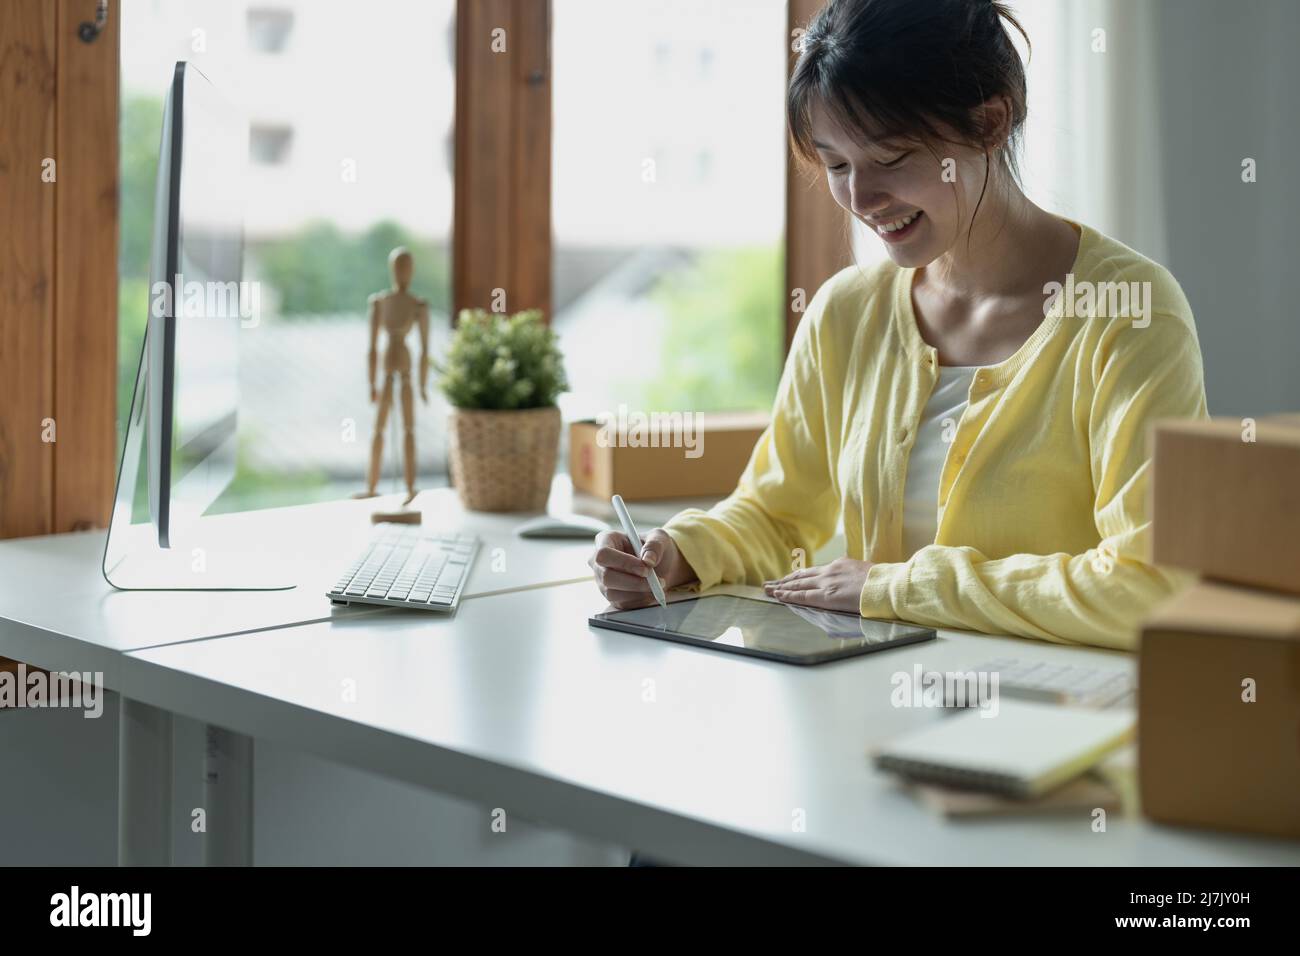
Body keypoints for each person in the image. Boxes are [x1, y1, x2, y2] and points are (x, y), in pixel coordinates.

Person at [589, 0, 1208, 650]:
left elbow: (1148, 585)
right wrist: (677, 553)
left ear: (990, 121)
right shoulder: (847, 311)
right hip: (871, 699)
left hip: (1051, 717)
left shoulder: (1130, 313)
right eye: (835, 165)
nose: (861, 199)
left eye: (890, 159)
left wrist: (890, 588)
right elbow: (777, 513)